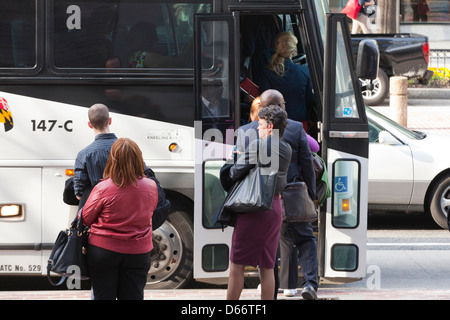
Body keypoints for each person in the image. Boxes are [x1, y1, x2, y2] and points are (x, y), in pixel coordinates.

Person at [227, 105, 292, 300]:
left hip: (253, 208)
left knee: (237, 264)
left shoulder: (258, 145)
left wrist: (234, 160)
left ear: (270, 126)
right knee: (267, 265)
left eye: (261, 124)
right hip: (274, 208)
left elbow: (234, 172)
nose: (257, 128)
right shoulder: (286, 149)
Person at [259, 89, 318, 300]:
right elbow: (307, 164)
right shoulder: (294, 128)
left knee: (269, 245)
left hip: (266, 198)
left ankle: (271, 292)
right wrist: (311, 193)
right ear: (281, 106)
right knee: (305, 239)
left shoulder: (251, 129)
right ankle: (310, 283)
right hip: (293, 193)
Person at [82, 138, 158, 300]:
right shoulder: (151, 186)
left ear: (113, 160)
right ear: (139, 159)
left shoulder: (103, 188)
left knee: (103, 296)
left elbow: (86, 218)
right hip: (138, 251)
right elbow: (150, 212)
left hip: (103, 252)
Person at [257, 32, 316, 132]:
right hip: (300, 125)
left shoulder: (266, 73)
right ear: (293, 52)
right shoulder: (304, 71)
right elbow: (309, 100)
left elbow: (264, 102)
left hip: (274, 126)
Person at [73, 104, 117, 208]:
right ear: (110, 121)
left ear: (90, 124)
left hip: (98, 217)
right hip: (125, 213)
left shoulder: (84, 154)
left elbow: (80, 194)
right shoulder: (129, 149)